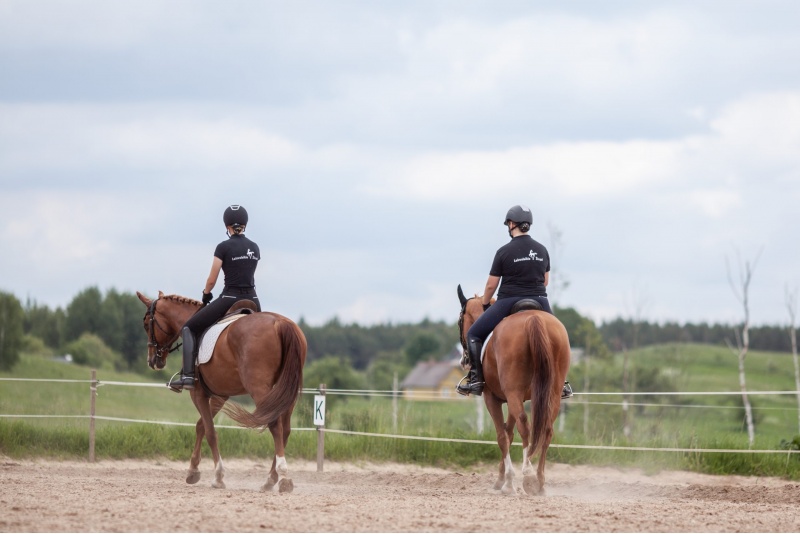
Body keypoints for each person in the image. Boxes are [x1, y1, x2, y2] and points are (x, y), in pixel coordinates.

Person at [456, 204, 573, 399]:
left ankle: (476, 379)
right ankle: (561, 383)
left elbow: (491, 286)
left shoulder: (504, 251)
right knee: (559, 337)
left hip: (508, 301)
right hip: (539, 300)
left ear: (511, 224)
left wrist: (485, 303)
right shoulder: (542, 250)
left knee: (474, 334)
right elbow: (545, 281)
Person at [168, 205, 262, 392]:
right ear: (244, 224)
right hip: (253, 300)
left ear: (227, 225)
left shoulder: (223, 247)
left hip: (229, 298)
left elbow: (212, 279)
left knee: (188, 328)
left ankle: (187, 376)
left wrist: (206, 294)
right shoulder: (254, 247)